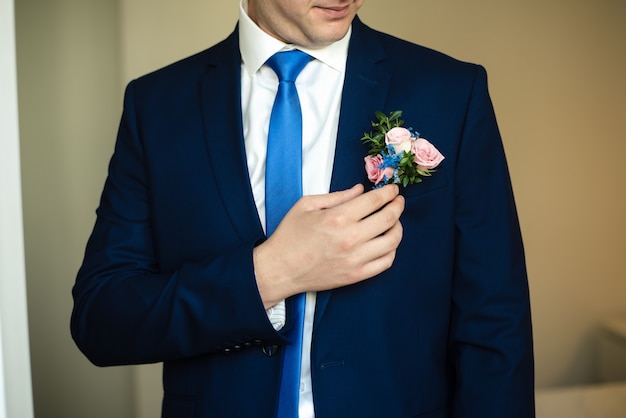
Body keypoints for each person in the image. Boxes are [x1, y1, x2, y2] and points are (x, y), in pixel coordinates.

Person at [70, 0, 535, 417]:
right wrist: (271, 273)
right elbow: (102, 319)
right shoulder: (156, 106)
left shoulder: (450, 91)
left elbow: (495, 320)